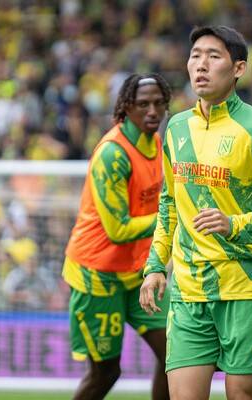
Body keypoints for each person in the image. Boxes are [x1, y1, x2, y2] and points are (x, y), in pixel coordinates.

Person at [139, 26, 252, 400]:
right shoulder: (176, 127)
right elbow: (169, 202)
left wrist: (235, 224)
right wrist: (155, 266)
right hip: (188, 289)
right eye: (195, 55)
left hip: (246, 287)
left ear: (238, 69)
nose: (201, 65)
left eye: (213, 56)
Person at [63, 73, 172, 400]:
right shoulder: (113, 154)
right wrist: (173, 218)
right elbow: (118, 229)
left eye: (159, 103)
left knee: (176, 354)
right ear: (126, 107)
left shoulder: (155, 143)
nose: (152, 111)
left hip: (136, 272)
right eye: (143, 104)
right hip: (97, 274)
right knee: (106, 373)